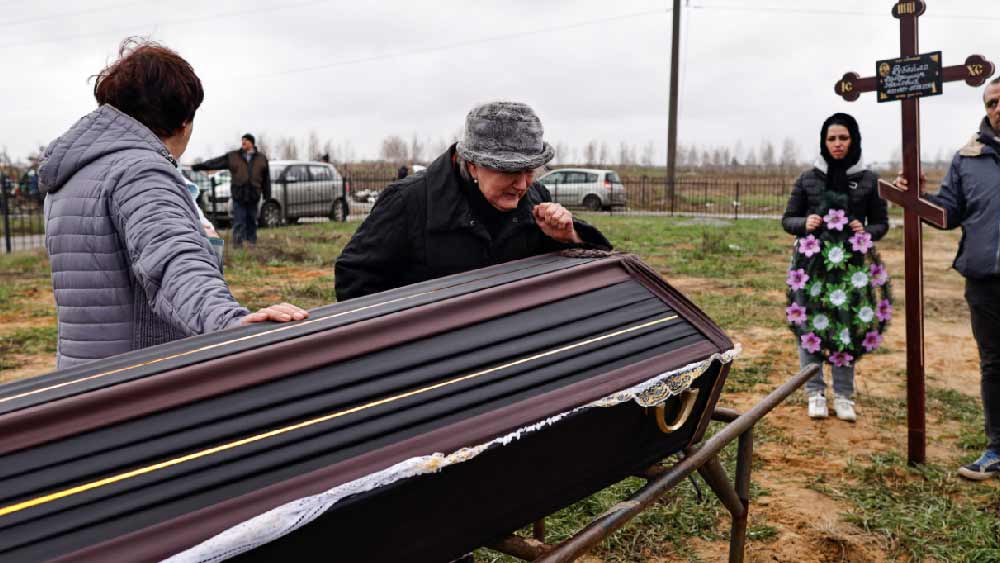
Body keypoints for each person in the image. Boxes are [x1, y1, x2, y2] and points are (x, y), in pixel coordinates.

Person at [39, 38, 306, 370]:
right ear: (183, 120)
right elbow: (174, 261)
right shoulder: (139, 171)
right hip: (138, 388)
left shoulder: (75, 175)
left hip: (82, 382)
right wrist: (229, 323)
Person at [335, 100, 611, 301]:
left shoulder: (537, 198)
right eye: (510, 171)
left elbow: (593, 270)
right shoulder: (410, 201)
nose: (523, 184)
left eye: (531, 170)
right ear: (472, 164)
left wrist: (569, 236)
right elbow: (356, 280)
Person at [897, 77, 1000, 480]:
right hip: (985, 281)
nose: (997, 108)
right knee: (994, 365)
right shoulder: (967, 158)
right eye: (991, 101)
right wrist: (916, 195)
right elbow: (947, 213)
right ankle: (997, 448)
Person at [782, 112, 889, 422]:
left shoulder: (868, 179)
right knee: (810, 329)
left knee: (845, 328)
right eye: (832, 139)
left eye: (843, 138)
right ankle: (814, 393)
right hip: (811, 266)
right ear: (823, 142)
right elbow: (787, 220)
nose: (838, 144)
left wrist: (866, 231)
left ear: (853, 140)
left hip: (851, 269)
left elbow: (882, 223)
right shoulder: (808, 178)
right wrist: (805, 222)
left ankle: (843, 396)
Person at [193, 133, 271, 247]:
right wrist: (199, 166)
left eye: (246, 141)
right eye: (242, 140)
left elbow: (266, 179)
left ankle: (251, 243)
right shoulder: (234, 156)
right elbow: (216, 162)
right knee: (239, 221)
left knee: (252, 221)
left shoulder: (261, 158)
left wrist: (267, 195)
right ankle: (238, 245)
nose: (243, 143)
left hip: (253, 196)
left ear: (252, 143)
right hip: (239, 195)